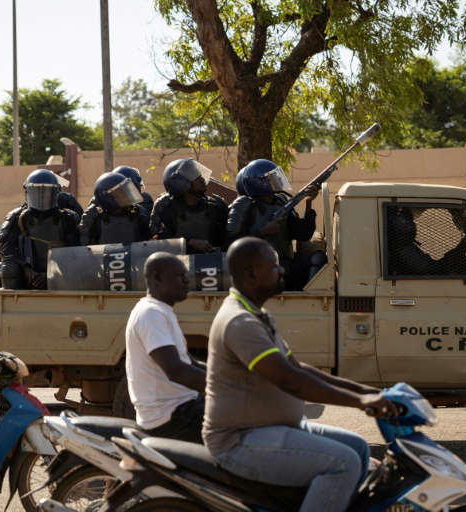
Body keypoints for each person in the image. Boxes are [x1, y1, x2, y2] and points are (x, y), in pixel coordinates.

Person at [203, 237, 396, 512]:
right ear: (251, 274)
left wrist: (366, 392)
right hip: (240, 440)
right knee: (344, 463)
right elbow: (289, 380)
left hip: (272, 430)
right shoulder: (240, 322)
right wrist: (359, 403)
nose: (281, 271)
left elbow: (298, 368)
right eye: (274, 266)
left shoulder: (258, 315)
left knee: (358, 448)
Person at [125, 252, 206, 442]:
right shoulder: (150, 313)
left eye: (186, 276)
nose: (187, 281)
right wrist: (225, 387)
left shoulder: (161, 311)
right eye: (180, 276)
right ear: (157, 278)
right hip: (171, 416)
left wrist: (229, 375)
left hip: (182, 407)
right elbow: (175, 370)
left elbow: (188, 363)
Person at [227, 159, 319, 289]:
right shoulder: (243, 205)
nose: (277, 180)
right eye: (272, 178)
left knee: (318, 259)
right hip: (256, 270)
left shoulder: (280, 202)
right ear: (260, 183)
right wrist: (263, 232)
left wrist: (309, 202)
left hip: (284, 265)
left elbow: (303, 234)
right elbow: (230, 242)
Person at [0, 169, 79, 289]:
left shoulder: (68, 218)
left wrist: (50, 275)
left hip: (60, 273)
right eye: (37, 191)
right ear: (27, 192)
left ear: (56, 193)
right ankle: (12, 299)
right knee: (9, 267)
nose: (41, 197)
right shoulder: (16, 217)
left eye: (46, 192)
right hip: (27, 274)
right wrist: (26, 269)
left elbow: (75, 252)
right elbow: (6, 249)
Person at [150, 158, 227, 254]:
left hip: (212, 266)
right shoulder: (166, 208)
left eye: (199, 175)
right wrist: (188, 242)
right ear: (180, 182)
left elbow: (228, 241)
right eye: (195, 176)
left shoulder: (216, 206)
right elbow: (159, 242)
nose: (202, 179)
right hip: (176, 265)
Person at [386, 206, 466, 276]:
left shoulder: (402, 247)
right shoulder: (404, 249)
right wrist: (462, 247)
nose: (410, 226)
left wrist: (462, 247)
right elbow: (434, 269)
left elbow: (434, 267)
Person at [78, 171, 151, 246]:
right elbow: (85, 248)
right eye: (121, 193)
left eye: (125, 191)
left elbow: (148, 243)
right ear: (108, 197)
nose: (125, 195)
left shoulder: (137, 212)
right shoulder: (94, 217)